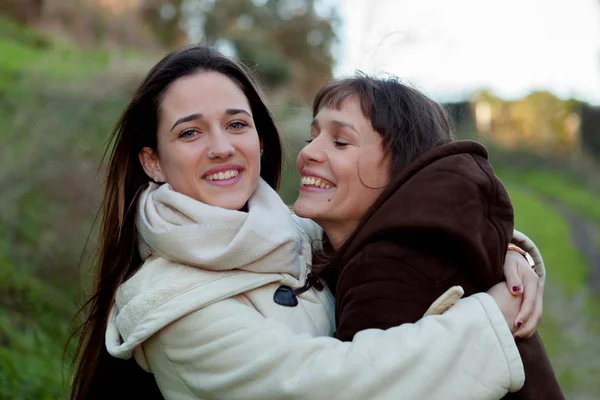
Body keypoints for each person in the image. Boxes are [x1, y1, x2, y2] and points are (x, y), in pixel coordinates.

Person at [70, 45, 542, 400]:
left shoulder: (292, 235)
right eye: (190, 132)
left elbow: (399, 222)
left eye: (236, 124)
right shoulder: (170, 306)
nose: (221, 147)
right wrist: (489, 322)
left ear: (258, 138)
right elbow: (326, 386)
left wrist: (507, 252)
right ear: (153, 161)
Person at [294, 75, 563, 399]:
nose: (309, 152)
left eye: (340, 142)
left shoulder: (390, 268)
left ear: (403, 167)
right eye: (313, 136)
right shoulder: (423, 248)